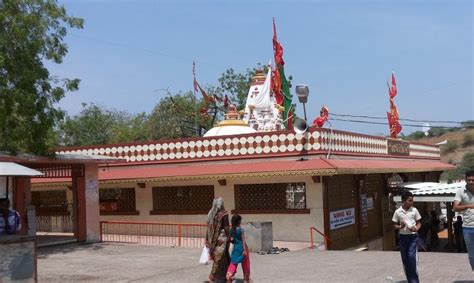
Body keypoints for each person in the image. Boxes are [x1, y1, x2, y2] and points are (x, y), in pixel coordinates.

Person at [392, 191, 421, 283]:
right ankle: (409, 279)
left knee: (411, 257)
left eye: (412, 200)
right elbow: (394, 225)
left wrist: (416, 228)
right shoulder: (397, 212)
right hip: (403, 237)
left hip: (412, 237)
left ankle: (414, 280)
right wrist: (400, 227)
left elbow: (419, 223)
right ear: (403, 201)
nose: (411, 202)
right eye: (409, 200)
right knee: (405, 259)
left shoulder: (414, 210)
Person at [453, 170, 474, 271]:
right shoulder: (460, 191)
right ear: (465, 180)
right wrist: (468, 206)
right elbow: (455, 207)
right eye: (469, 180)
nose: (471, 182)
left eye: (473, 180)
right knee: (471, 254)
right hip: (468, 227)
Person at [205, 197, 230, 282]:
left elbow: (208, 228)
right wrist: (231, 237)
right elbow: (227, 228)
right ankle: (216, 276)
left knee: (218, 258)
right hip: (221, 240)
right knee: (221, 259)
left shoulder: (210, 214)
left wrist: (208, 241)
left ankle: (221, 276)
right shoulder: (224, 214)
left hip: (212, 241)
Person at [226, 214, 250, 282]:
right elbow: (243, 240)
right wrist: (244, 250)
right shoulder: (241, 230)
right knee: (245, 264)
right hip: (243, 248)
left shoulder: (231, 230)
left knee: (233, 263)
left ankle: (229, 276)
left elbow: (231, 240)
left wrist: (233, 241)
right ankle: (246, 278)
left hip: (236, 248)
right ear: (239, 222)